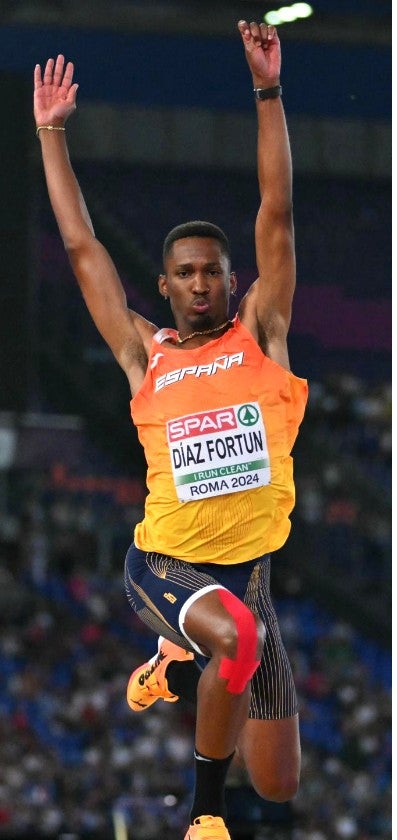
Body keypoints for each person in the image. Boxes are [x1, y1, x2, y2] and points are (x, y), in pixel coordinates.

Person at [35, 21, 306, 840]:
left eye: (212, 273)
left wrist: (268, 90)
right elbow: (81, 245)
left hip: (247, 575)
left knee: (283, 781)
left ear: (235, 283)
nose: (198, 284)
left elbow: (277, 211)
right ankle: (204, 819)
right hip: (164, 563)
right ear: (166, 283)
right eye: (183, 273)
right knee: (237, 636)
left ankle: (175, 658)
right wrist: (50, 133)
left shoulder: (262, 335)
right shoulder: (142, 355)